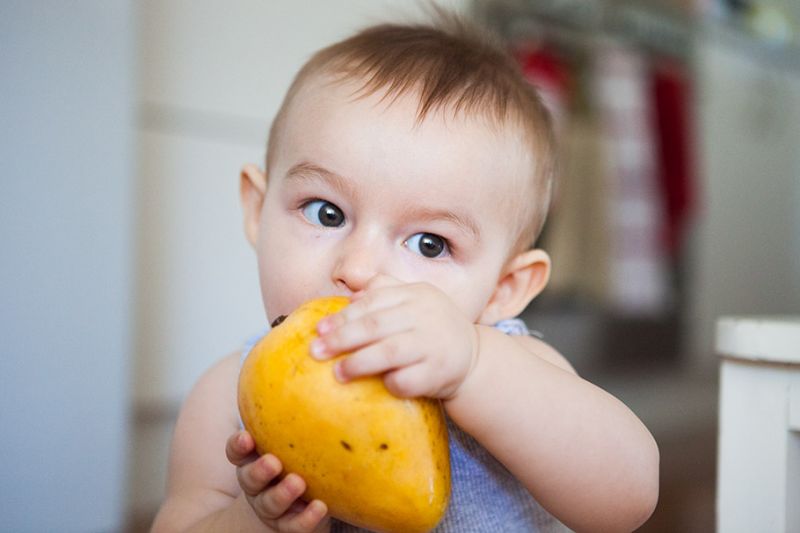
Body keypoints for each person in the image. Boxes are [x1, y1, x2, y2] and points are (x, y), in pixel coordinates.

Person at [151, 10, 659, 533]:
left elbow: (630, 497)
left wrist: (472, 368)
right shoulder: (229, 397)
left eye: (430, 244)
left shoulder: (511, 363)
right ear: (258, 210)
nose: (359, 269)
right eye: (326, 212)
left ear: (504, 290)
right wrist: (252, 518)